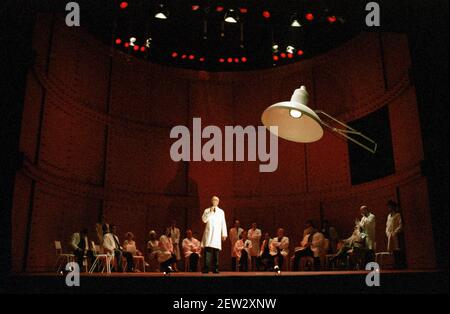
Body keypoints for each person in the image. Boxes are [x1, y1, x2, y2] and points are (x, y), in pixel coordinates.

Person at [201, 196, 227, 273]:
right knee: (208, 251)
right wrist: (210, 212)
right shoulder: (207, 210)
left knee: (216, 252)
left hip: (216, 234)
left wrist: (224, 234)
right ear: (211, 201)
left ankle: (215, 268)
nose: (215, 201)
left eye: (216, 200)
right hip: (209, 233)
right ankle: (206, 268)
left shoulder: (221, 211)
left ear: (218, 202)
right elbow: (204, 220)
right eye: (213, 200)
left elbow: (223, 223)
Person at [386, 200, 405, 269]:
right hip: (390, 235)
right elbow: (387, 225)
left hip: (396, 235)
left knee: (397, 250)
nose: (389, 208)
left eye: (390, 207)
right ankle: (393, 264)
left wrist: (395, 231)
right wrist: (387, 232)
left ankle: (399, 265)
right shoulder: (388, 216)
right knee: (390, 250)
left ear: (393, 207)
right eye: (388, 207)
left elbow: (400, 225)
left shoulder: (397, 215)